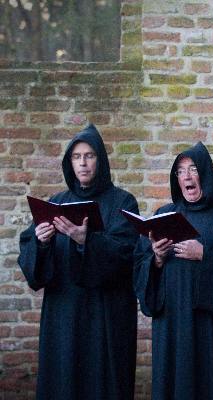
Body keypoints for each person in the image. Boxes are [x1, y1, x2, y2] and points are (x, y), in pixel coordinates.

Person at [18, 124, 139, 400]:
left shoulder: (123, 202)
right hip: (64, 316)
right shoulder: (56, 203)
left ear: (101, 160)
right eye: (76, 157)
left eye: (89, 156)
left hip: (105, 316)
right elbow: (31, 263)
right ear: (69, 162)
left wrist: (87, 241)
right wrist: (42, 241)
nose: (83, 163)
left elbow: (126, 253)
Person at [133, 142, 213, 400]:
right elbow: (140, 269)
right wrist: (156, 258)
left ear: (206, 174)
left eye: (193, 169)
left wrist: (204, 255)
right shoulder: (164, 215)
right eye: (180, 171)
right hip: (173, 327)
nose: (186, 176)